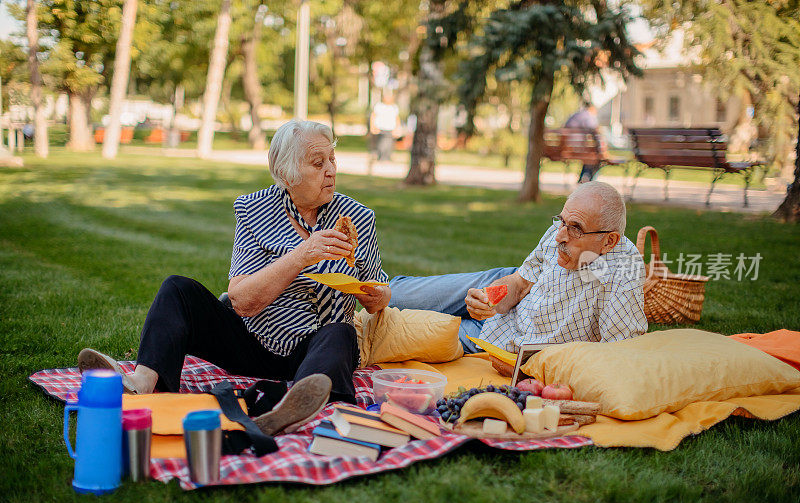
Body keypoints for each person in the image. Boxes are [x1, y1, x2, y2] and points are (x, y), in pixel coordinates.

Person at [78, 119, 392, 435]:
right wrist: (301, 255)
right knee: (177, 289)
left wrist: (378, 296)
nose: (331, 170)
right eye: (318, 163)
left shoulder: (359, 217)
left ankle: (289, 407)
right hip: (253, 342)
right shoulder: (254, 209)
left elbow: (378, 289)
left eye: (332, 159)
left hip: (315, 350)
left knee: (340, 333)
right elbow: (241, 301)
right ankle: (142, 382)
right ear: (287, 174)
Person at [387, 181, 648, 354]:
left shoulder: (623, 272)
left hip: (500, 340)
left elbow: (618, 352)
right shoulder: (559, 234)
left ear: (609, 240)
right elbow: (521, 283)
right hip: (502, 290)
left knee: (398, 332)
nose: (560, 236)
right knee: (393, 294)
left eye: (575, 228)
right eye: (562, 221)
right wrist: (490, 300)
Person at [564, 104, 604, 183]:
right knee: (596, 157)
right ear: (592, 109)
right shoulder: (588, 116)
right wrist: (601, 148)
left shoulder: (575, 115)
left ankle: (583, 178)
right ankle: (589, 181)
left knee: (590, 155)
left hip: (567, 147)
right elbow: (594, 130)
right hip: (577, 149)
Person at [370, 93, 400, 161]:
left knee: (389, 144)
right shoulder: (379, 106)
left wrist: (397, 128)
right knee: (381, 144)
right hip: (381, 127)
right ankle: (381, 156)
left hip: (390, 128)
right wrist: (373, 126)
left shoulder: (394, 107)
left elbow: (397, 118)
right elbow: (373, 116)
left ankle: (387, 157)